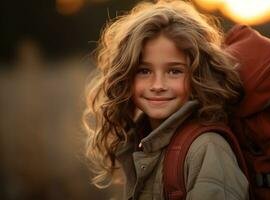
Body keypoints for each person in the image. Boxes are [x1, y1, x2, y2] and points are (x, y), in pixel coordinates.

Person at [83, 0, 249, 199]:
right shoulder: (142, 141)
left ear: (197, 75)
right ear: (125, 76)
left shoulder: (206, 148)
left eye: (174, 71)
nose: (158, 85)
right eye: (144, 71)